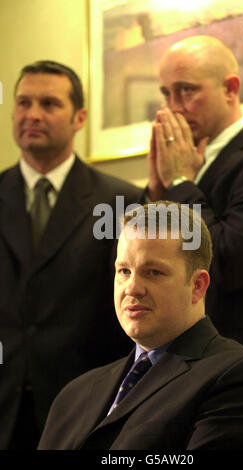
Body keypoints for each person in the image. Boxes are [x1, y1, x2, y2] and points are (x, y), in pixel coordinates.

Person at [38, 202, 243, 450]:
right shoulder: (75, 393)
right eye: (124, 271)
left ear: (197, 286)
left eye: (153, 272)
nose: (132, 288)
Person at [146, 35, 243, 435]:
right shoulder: (191, 162)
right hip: (175, 364)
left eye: (187, 91)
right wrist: (157, 193)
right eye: (166, 93)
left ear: (231, 88)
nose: (173, 107)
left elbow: (226, 261)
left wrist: (178, 181)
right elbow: (143, 262)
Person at [0, 60, 141, 450]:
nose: (32, 114)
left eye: (49, 103)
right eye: (23, 102)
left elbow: (130, 302)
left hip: (83, 406)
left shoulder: (119, 201)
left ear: (79, 117)